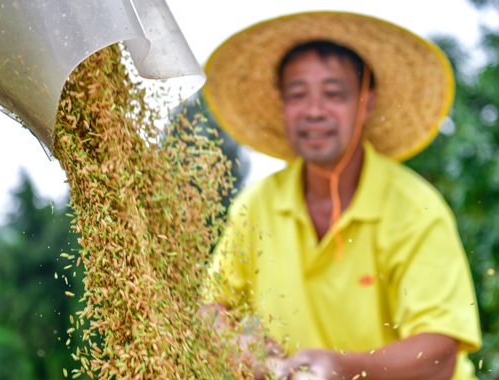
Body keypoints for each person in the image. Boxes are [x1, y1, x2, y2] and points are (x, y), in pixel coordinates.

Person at [200, 12, 482, 380]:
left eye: (333, 94)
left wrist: (344, 368)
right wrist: (245, 350)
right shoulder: (257, 205)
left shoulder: (415, 209)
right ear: (282, 103)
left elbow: (439, 353)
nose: (314, 111)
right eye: (298, 94)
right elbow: (211, 309)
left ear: (366, 101)